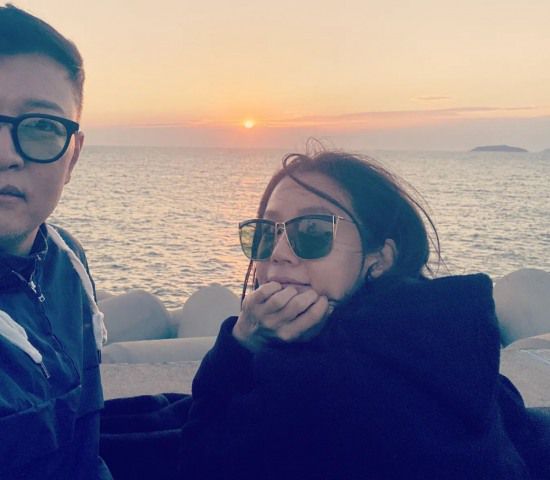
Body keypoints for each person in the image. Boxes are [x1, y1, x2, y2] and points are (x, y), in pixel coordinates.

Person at [178, 149, 548, 479]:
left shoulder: (315, 383)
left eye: (312, 230)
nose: (279, 253)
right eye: (265, 233)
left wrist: (241, 341)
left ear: (380, 258)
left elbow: (200, 453)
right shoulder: (450, 340)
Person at [0, 4, 111, 479]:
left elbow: (86, 443)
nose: (5, 154)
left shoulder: (66, 261)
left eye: (42, 126)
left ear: (73, 157)